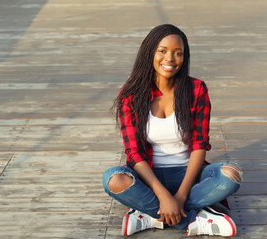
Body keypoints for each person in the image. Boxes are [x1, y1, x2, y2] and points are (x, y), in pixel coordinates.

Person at [102, 24, 242, 237]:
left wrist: (180, 196)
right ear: (150, 52)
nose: (170, 58)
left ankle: (150, 215)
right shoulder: (130, 95)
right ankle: (194, 220)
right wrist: (164, 196)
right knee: (113, 179)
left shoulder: (196, 90)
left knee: (231, 175)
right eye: (163, 51)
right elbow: (134, 153)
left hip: (190, 176)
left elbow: (199, 145)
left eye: (178, 53)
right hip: (148, 178)